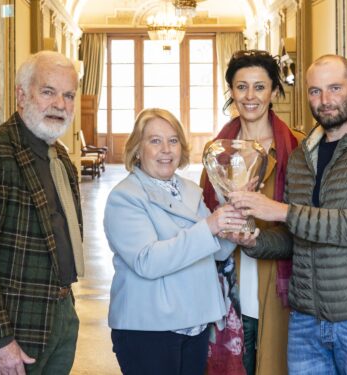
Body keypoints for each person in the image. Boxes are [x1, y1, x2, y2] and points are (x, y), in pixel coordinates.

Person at [229, 54, 347, 374]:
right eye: (315, 91)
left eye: (335, 88)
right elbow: (294, 238)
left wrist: (280, 210)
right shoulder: (302, 156)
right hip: (306, 320)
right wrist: (252, 240)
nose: (325, 100)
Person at [0, 51, 84, 375]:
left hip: (60, 315)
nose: (60, 104)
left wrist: (68, 309)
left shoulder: (60, 159)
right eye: (48, 91)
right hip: (14, 325)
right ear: (22, 95)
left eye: (68, 95)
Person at [103, 108, 255, 375]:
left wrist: (232, 233)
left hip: (193, 322)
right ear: (137, 149)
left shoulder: (188, 189)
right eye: (155, 140)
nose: (166, 149)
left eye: (173, 140)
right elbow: (147, 260)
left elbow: (214, 253)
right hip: (149, 329)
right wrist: (210, 226)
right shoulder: (125, 197)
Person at [200, 49, 304, 375]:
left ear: (274, 91)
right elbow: (201, 213)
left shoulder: (297, 149)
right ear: (231, 91)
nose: (250, 96)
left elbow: (304, 219)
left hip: (278, 285)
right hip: (228, 282)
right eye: (241, 86)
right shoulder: (216, 150)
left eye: (259, 87)